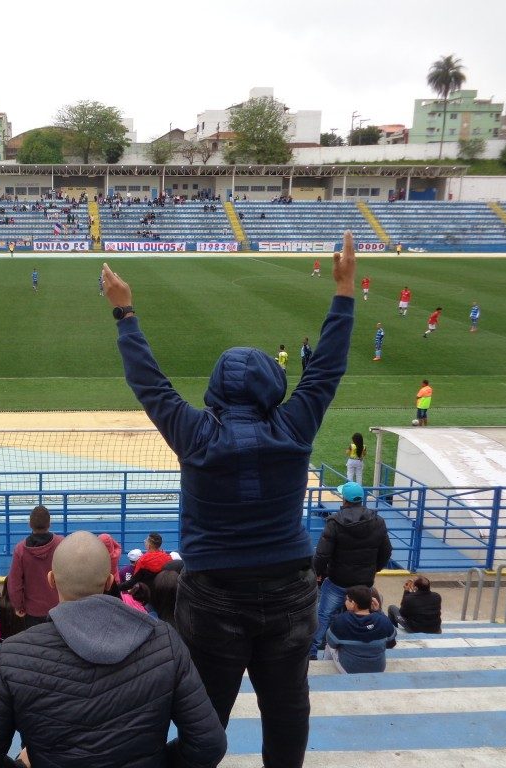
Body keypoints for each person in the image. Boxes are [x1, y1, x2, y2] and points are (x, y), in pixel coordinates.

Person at [100, 230, 357, 765]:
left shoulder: (194, 433)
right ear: (272, 386)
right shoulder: (293, 426)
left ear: (216, 387)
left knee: (204, 719)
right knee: (287, 711)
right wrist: (344, 290)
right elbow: (326, 370)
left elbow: (150, 384)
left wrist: (125, 315)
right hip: (289, 590)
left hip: (213, 593)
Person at [0, 531, 227, 768]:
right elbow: (209, 743)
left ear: (51, 580)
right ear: (110, 582)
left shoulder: (11, 657)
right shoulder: (164, 643)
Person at [309, 481, 392, 660]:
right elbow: (386, 551)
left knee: (323, 615)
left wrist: (318, 573)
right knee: (365, 613)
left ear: (345, 499)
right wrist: (374, 569)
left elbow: (322, 554)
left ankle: (312, 652)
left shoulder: (334, 522)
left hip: (338, 581)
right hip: (364, 582)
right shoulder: (378, 521)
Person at [7, 505, 63, 628]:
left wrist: (18, 605)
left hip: (32, 611)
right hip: (57, 609)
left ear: (29, 524)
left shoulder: (20, 550)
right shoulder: (61, 544)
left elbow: (14, 582)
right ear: (49, 524)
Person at [323, 585, 397, 674]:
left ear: (353, 604)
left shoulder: (341, 620)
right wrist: (378, 612)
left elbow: (332, 644)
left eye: (347, 599)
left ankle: (324, 666)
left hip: (349, 669)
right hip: (378, 668)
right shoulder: (383, 620)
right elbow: (391, 644)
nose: (345, 601)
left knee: (328, 644)